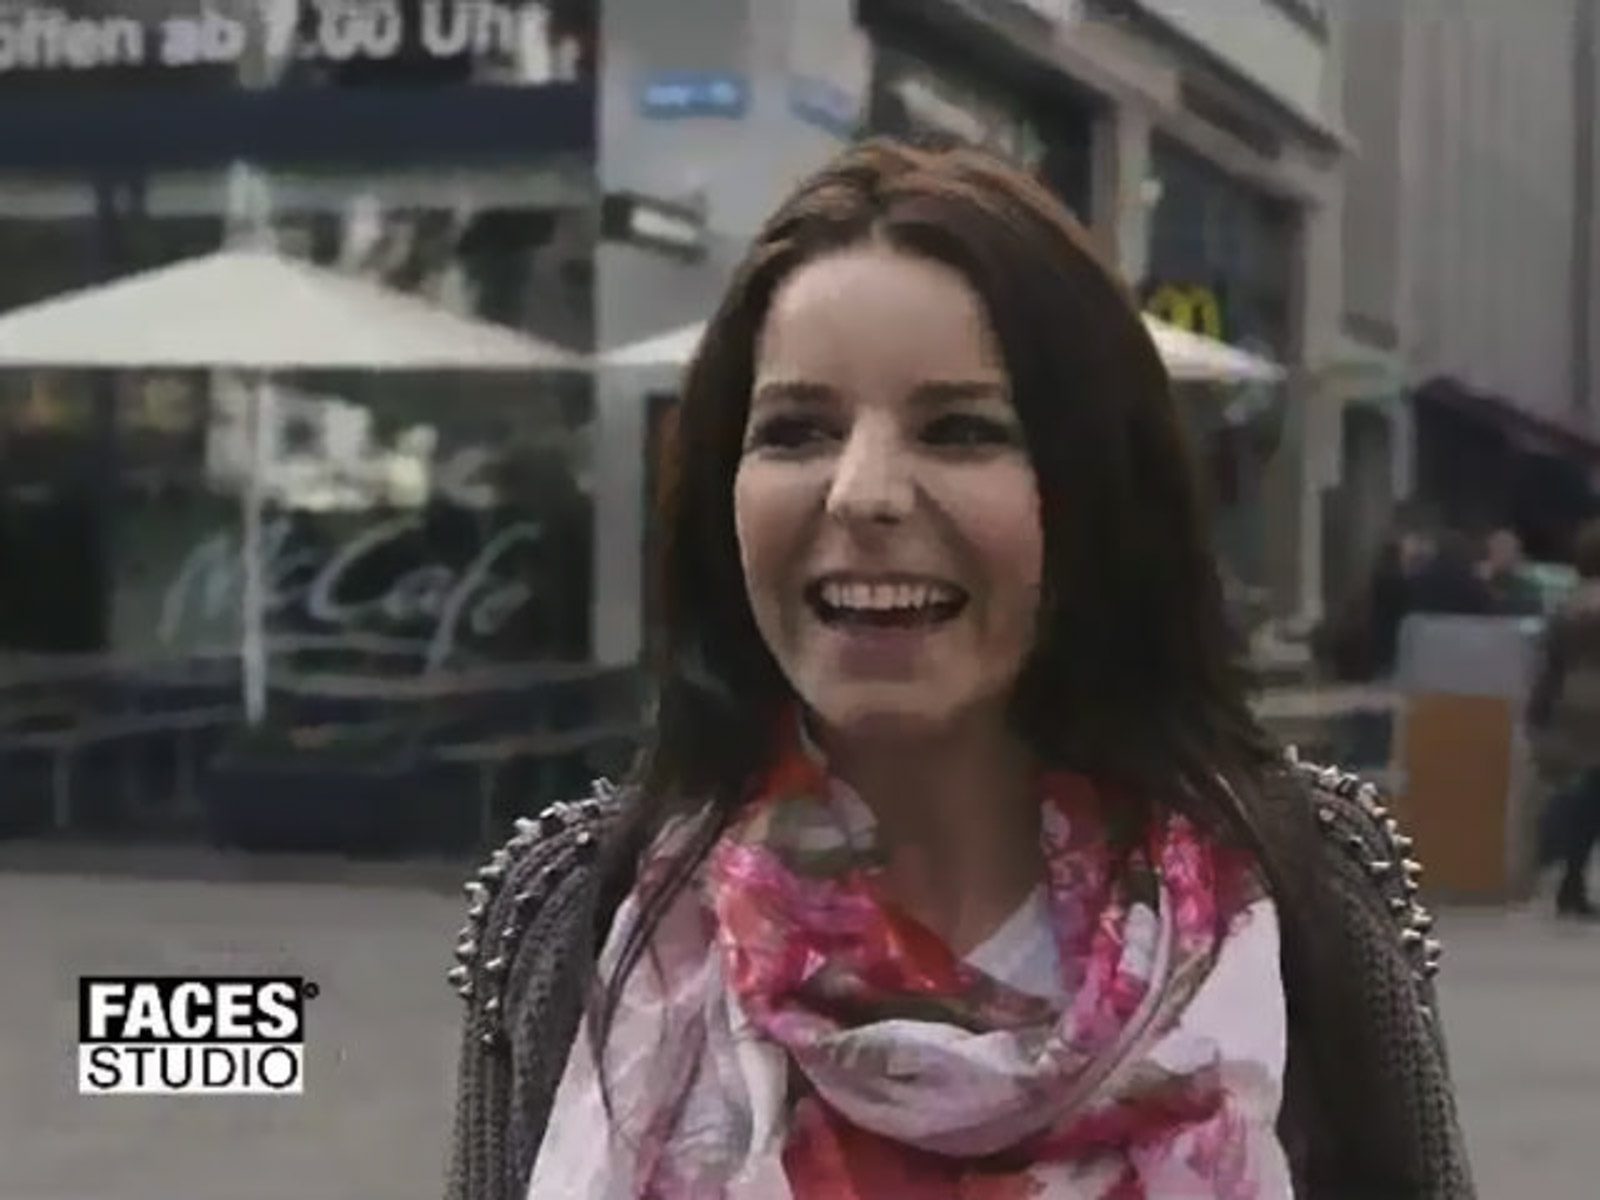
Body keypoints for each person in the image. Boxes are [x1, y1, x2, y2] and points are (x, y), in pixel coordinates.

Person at [445, 140, 1474, 1199]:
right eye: (796, 430)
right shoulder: (579, 912)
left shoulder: (1295, 891)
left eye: (959, 431)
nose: (862, 493)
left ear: (1094, 487)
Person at [1527, 517, 1600, 918]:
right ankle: (1571, 880)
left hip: (1572, 703)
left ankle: (1568, 876)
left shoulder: (1569, 605)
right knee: (1590, 796)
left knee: (1581, 791)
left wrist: (1539, 711)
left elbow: (1551, 662)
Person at [1479, 526, 1544, 616]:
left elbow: (1533, 615)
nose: (1500, 556)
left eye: (1504, 550)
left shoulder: (1529, 590)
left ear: (1516, 555)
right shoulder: (1478, 584)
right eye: (1496, 550)